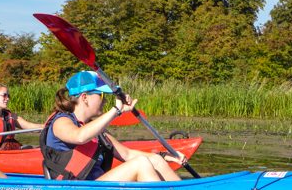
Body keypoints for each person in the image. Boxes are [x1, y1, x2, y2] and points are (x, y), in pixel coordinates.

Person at [40, 70, 186, 181]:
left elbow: (127, 154)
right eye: (102, 96)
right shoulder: (61, 121)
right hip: (75, 189)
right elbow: (80, 136)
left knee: (155, 160)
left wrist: (165, 156)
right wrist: (116, 110)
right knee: (140, 164)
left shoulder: (96, 129)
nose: (105, 101)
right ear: (84, 97)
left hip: (97, 187)